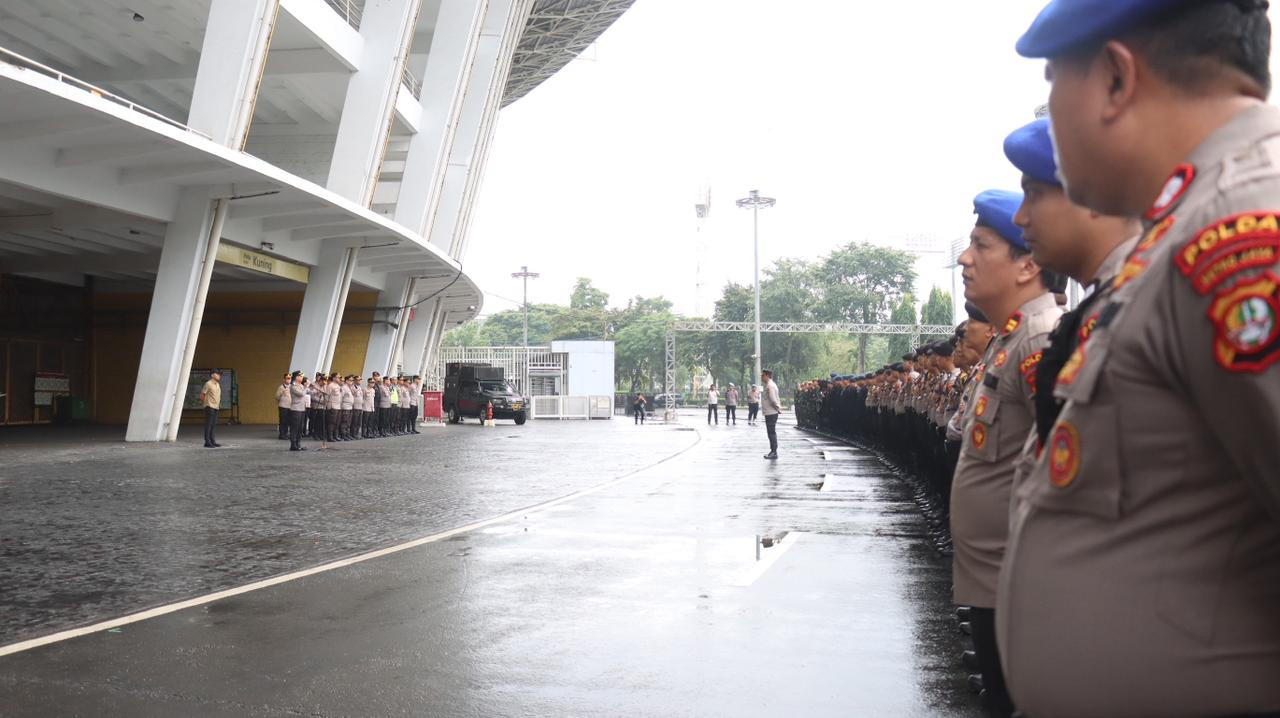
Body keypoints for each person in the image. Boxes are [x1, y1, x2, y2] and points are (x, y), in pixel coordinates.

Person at [999, 2, 1280, 715]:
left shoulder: (1241, 233)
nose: (1050, 115)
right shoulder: (1182, 230)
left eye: (1055, 81)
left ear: (1117, 79)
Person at [951, 189, 1062, 718]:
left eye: (980, 245)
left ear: (1028, 264)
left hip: (1015, 583)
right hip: (992, 577)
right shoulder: (1011, 339)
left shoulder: (1039, 341)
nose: (963, 258)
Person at [760, 369, 781, 459]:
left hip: (771, 412)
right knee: (771, 432)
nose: (762, 377)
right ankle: (773, 451)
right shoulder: (769, 385)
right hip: (770, 412)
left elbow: (773, 399)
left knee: (771, 432)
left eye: (763, 375)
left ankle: (774, 452)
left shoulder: (770, 385)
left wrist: (777, 408)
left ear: (767, 376)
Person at [200, 369, 221, 448]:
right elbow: (202, 395)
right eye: (217, 374)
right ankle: (207, 442)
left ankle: (213, 441)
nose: (219, 375)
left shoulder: (217, 384)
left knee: (213, 424)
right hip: (209, 407)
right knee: (208, 424)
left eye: (219, 374)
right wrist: (206, 404)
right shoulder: (208, 384)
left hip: (216, 407)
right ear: (212, 375)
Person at [288, 371, 307, 451]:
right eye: (300, 376)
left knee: (300, 428)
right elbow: (301, 394)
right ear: (296, 377)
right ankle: (293, 445)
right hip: (295, 409)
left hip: (302, 409)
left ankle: (298, 444)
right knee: (295, 428)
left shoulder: (301, 386)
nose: (302, 377)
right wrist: (306, 387)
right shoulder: (293, 386)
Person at [275, 373, 291, 440]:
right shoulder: (281, 387)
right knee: (283, 421)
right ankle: (282, 434)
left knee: (287, 421)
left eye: (290, 378)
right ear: (284, 379)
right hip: (283, 406)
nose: (289, 380)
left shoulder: (291, 387)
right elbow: (277, 396)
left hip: (290, 407)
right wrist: (282, 395)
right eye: (287, 378)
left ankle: (286, 434)